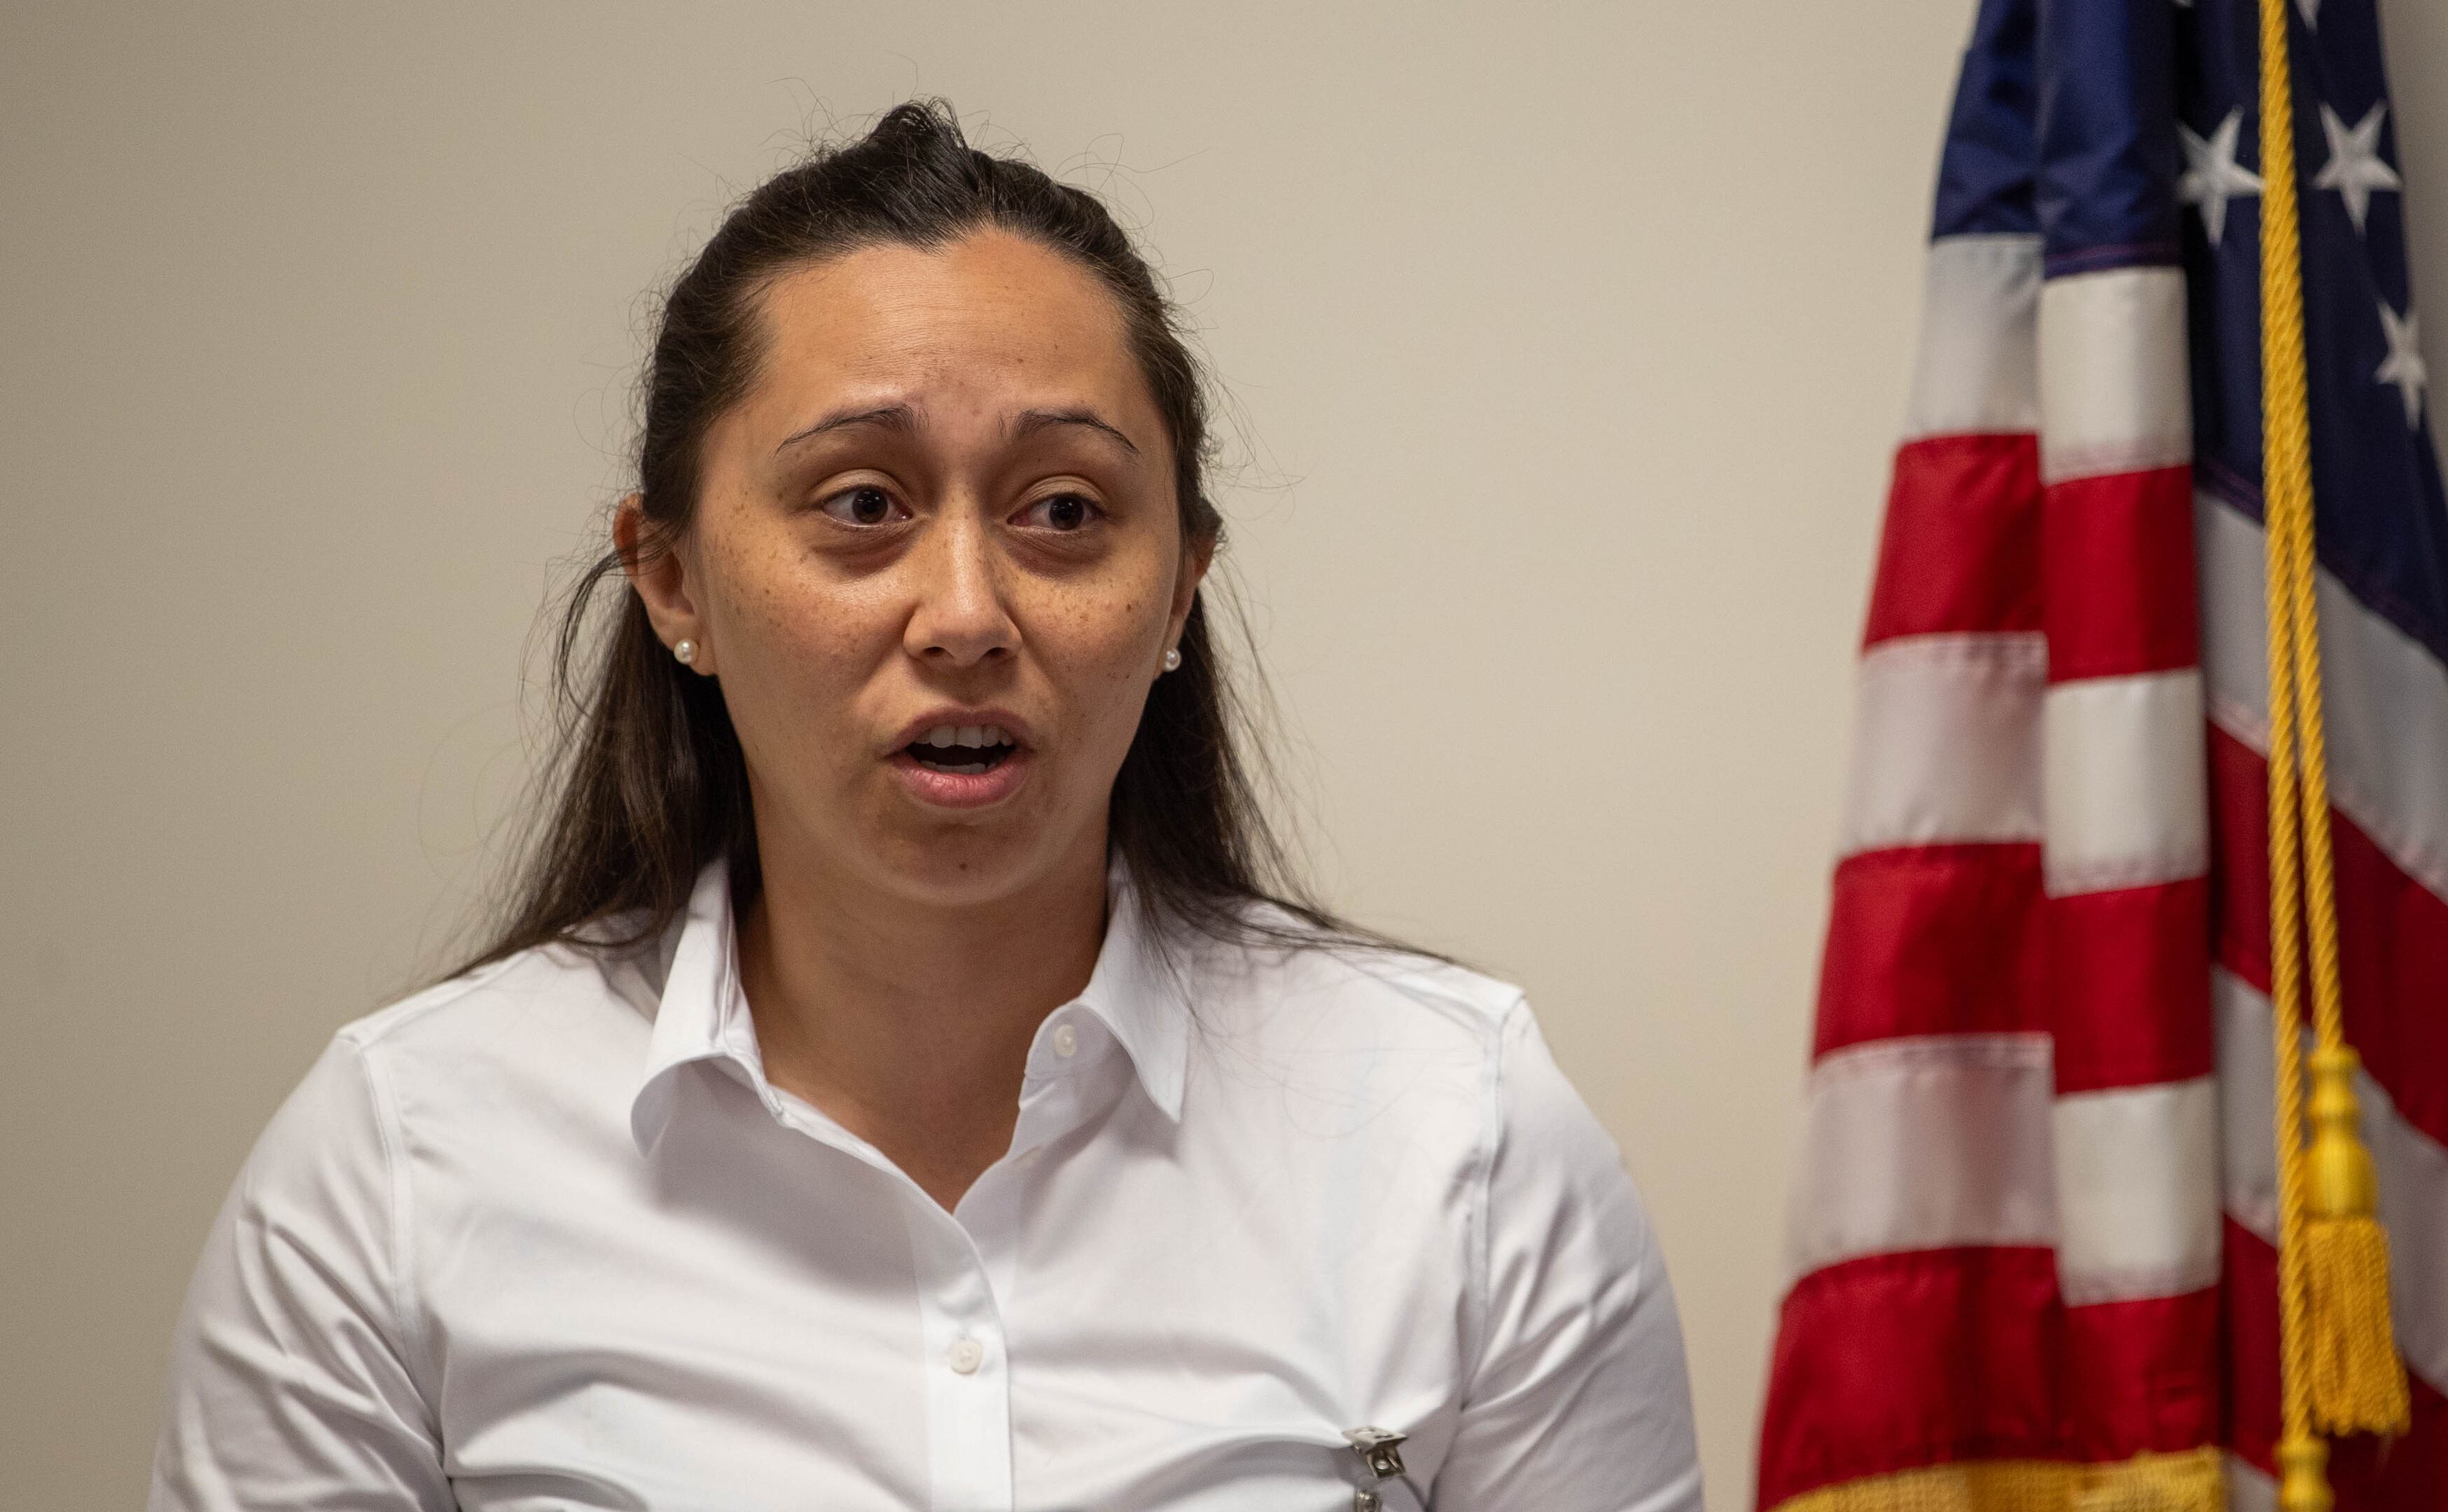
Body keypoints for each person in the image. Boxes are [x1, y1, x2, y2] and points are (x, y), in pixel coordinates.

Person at [150, 99, 1702, 1511]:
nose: (965, 612)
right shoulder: (399, 1164)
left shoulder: (1460, 1136)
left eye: (1065, 512)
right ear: (672, 577)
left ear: (1181, 592)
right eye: (863, 506)